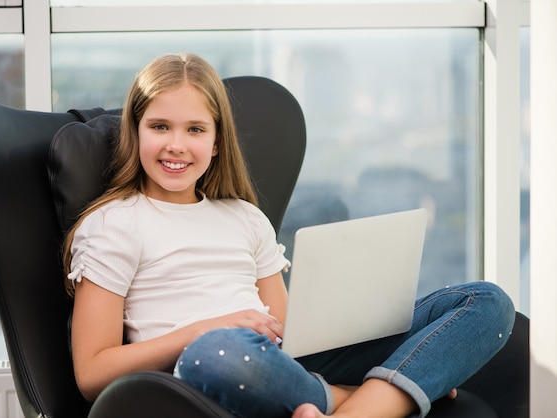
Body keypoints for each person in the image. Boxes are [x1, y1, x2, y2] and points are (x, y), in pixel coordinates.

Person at [62, 52, 516, 418]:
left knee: (486, 301)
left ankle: (357, 405)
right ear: (135, 131)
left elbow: (289, 337)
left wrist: (347, 319)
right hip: (209, 367)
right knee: (219, 352)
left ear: (217, 142)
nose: (176, 144)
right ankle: (383, 397)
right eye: (159, 127)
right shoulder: (114, 225)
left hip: (285, 364)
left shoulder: (244, 217)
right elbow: (92, 372)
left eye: (195, 129)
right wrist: (204, 328)